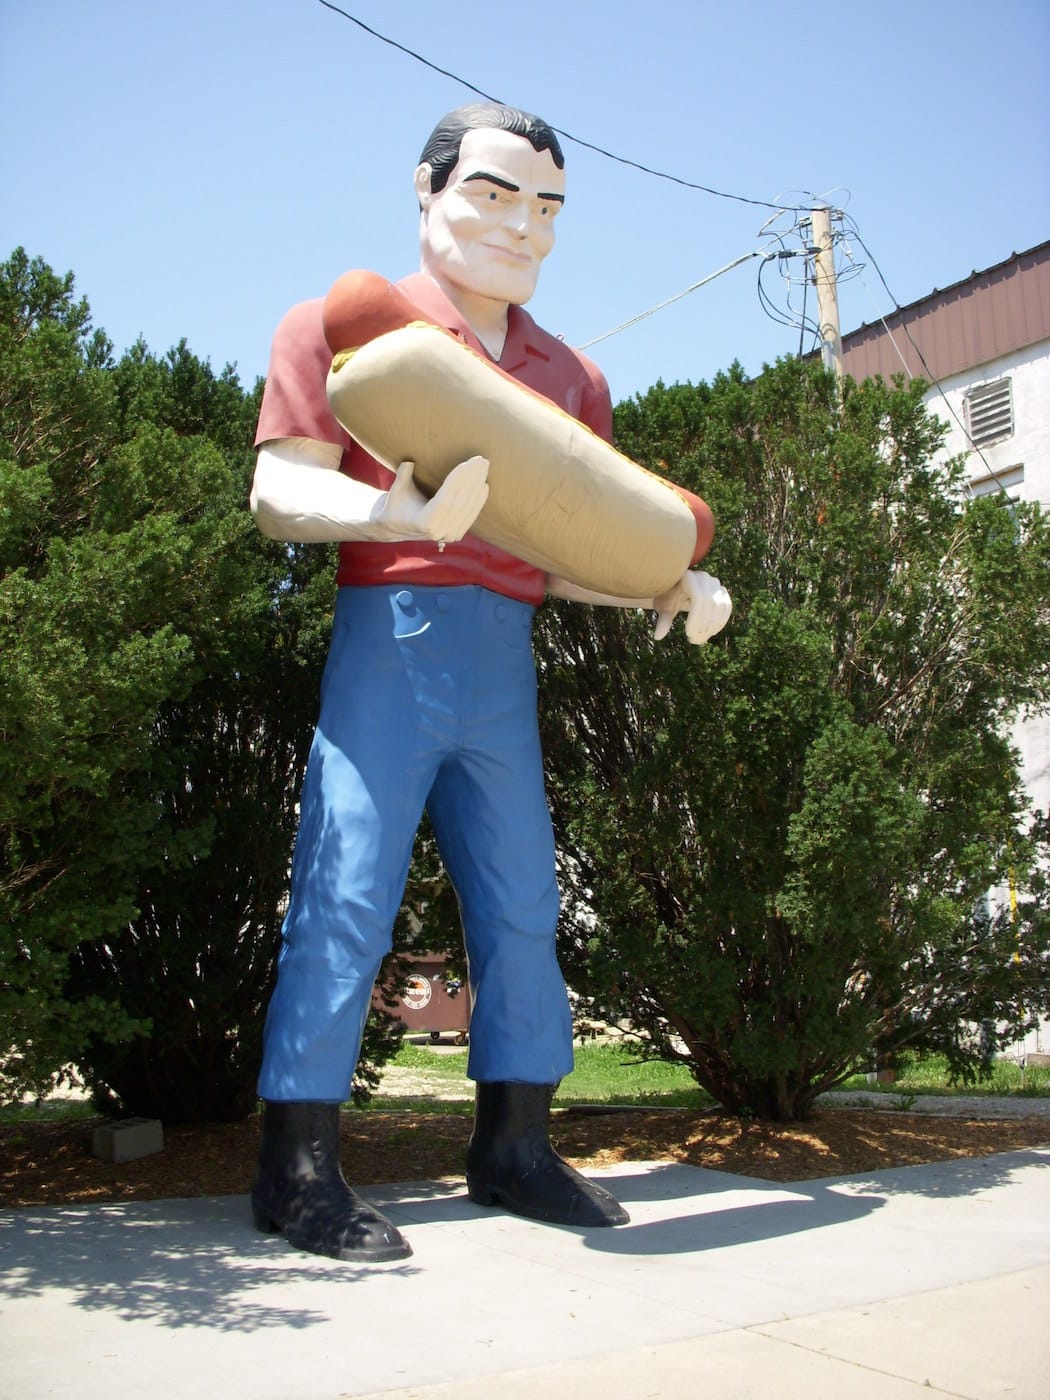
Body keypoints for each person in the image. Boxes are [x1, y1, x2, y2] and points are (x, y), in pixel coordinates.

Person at [248, 103, 732, 1264]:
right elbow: (276, 492)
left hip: (501, 655)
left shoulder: (570, 377)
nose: (523, 224)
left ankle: (516, 1142)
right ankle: (295, 1160)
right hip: (389, 633)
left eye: (548, 205)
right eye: (495, 192)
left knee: (523, 903)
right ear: (427, 190)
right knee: (346, 892)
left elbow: (574, 547)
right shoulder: (338, 325)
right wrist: (389, 511)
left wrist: (668, 587)